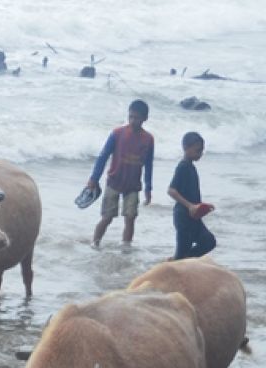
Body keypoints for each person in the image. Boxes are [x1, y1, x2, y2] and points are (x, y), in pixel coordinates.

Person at [87, 99, 154, 248]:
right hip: (114, 181)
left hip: (133, 185)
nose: (133, 120)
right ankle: (95, 243)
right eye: (131, 117)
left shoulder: (148, 139)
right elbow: (103, 156)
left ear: (145, 118)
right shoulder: (117, 134)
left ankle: (126, 247)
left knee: (130, 217)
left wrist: (149, 188)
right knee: (107, 217)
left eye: (137, 118)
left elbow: (148, 165)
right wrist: (93, 178)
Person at [167, 131, 216, 260]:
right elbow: (171, 190)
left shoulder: (191, 167)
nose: (200, 154)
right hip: (183, 217)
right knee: (181, 253)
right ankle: (176, 265)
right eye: (197, 150)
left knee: (209, 241)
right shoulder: (183, 166)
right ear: (186, 148)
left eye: (201, 151)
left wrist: (201, 206)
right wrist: (190, 206)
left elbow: (190, 194)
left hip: (193, 217)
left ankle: (184, 261)